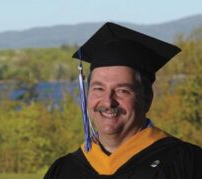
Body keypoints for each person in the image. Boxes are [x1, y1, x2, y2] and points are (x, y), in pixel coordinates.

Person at [44, 22, 202, 179]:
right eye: (99, 89)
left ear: (147, 98)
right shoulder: (64, 170)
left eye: (122, 91)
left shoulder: (186, 163)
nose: (108, 102)